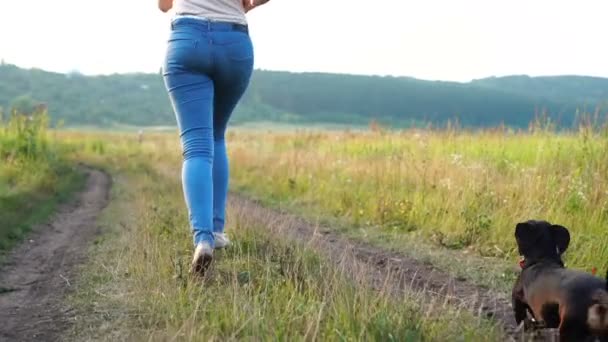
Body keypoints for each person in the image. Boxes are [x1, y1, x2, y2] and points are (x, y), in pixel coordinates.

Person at [158, 0, 270, 276]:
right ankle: (217, 230)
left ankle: (203, 239)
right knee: (217, 136)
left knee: (197, 148)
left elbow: (163, 5)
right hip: (234, 43)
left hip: (187, 40)